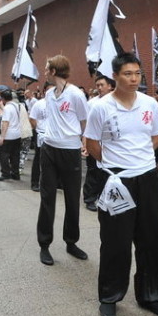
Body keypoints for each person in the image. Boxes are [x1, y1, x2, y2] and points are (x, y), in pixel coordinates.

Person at [84, 53, 158, 316]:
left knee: (151, 239)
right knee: (115, 241)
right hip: (116, 181)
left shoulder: (149, 104)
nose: (134, 79)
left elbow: (156, 136)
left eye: (137, 74)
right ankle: (110, 296)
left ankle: (151, 295)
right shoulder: (100, 107)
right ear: (115, 76)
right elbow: (92, 145)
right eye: (127, 74)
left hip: (147, 178)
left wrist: (139, 159)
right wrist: (116, 164)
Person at [36, 54, 89, 266]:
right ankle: (44, 245)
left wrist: (82, 142)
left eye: (47, 68)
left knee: (72, 198)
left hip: (70, 150)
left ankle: (71, 242)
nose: (45, 72)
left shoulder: (76, 94)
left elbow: (85, 121)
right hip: (49, 149)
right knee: (47, 196)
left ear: (55, 71)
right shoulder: (49, 94)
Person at [83, 75, 115, 210]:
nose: (100, 88)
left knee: (108, 173)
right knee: (93, 171)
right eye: (98, 85)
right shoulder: (92, 103)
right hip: (94, 142)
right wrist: (85, 144)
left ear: (110, 86)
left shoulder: (116, 102)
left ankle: (104, 198)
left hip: (111, 144)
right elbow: (86, 127)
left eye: (102, 85)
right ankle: (89, 198)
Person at [0, 89, 22, 181]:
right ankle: (15, 173)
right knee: (15, 155)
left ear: (3, 98)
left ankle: (5, 173)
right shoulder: (16, 105)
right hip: (17, 134)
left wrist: (2, 137)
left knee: (3, 154)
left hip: (9, 134)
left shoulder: (7, 108)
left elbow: (5, 123)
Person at [28, 95, 47, 192]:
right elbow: (32, 119)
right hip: (41, 134)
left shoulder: (58, 103)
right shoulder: (39, 104)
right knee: (39, 158)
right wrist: (38, 129)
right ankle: (35, 182)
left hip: (55, 135)